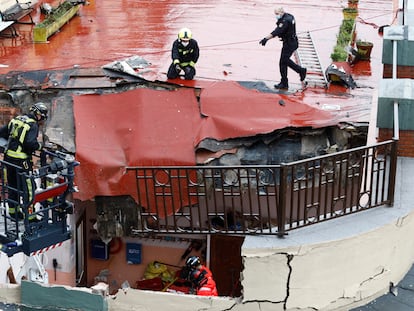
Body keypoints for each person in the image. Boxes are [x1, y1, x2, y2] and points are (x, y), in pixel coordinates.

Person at [0, 102, 48, 221]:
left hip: (8, 160)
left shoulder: (16, 120)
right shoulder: (32, 125)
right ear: (38, 114)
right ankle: (30, 216)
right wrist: (40, 146)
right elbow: (30, 144)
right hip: (21, 162)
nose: (41, 120)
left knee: (12, 186)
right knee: (29, 189)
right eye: (42, 117)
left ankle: (14, 213)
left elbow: (2, 132)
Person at [259, 7, 307, 89]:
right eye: (275, 14)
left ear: (282, 12)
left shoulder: (285, 21)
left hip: (290, 43)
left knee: (283, 61)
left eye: (277, 14)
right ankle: (284, 82)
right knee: (283, 62)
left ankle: (300, 71)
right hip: (290, 42)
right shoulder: (289, 16)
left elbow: (277, 31)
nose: (276, 16)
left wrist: (266, 39)